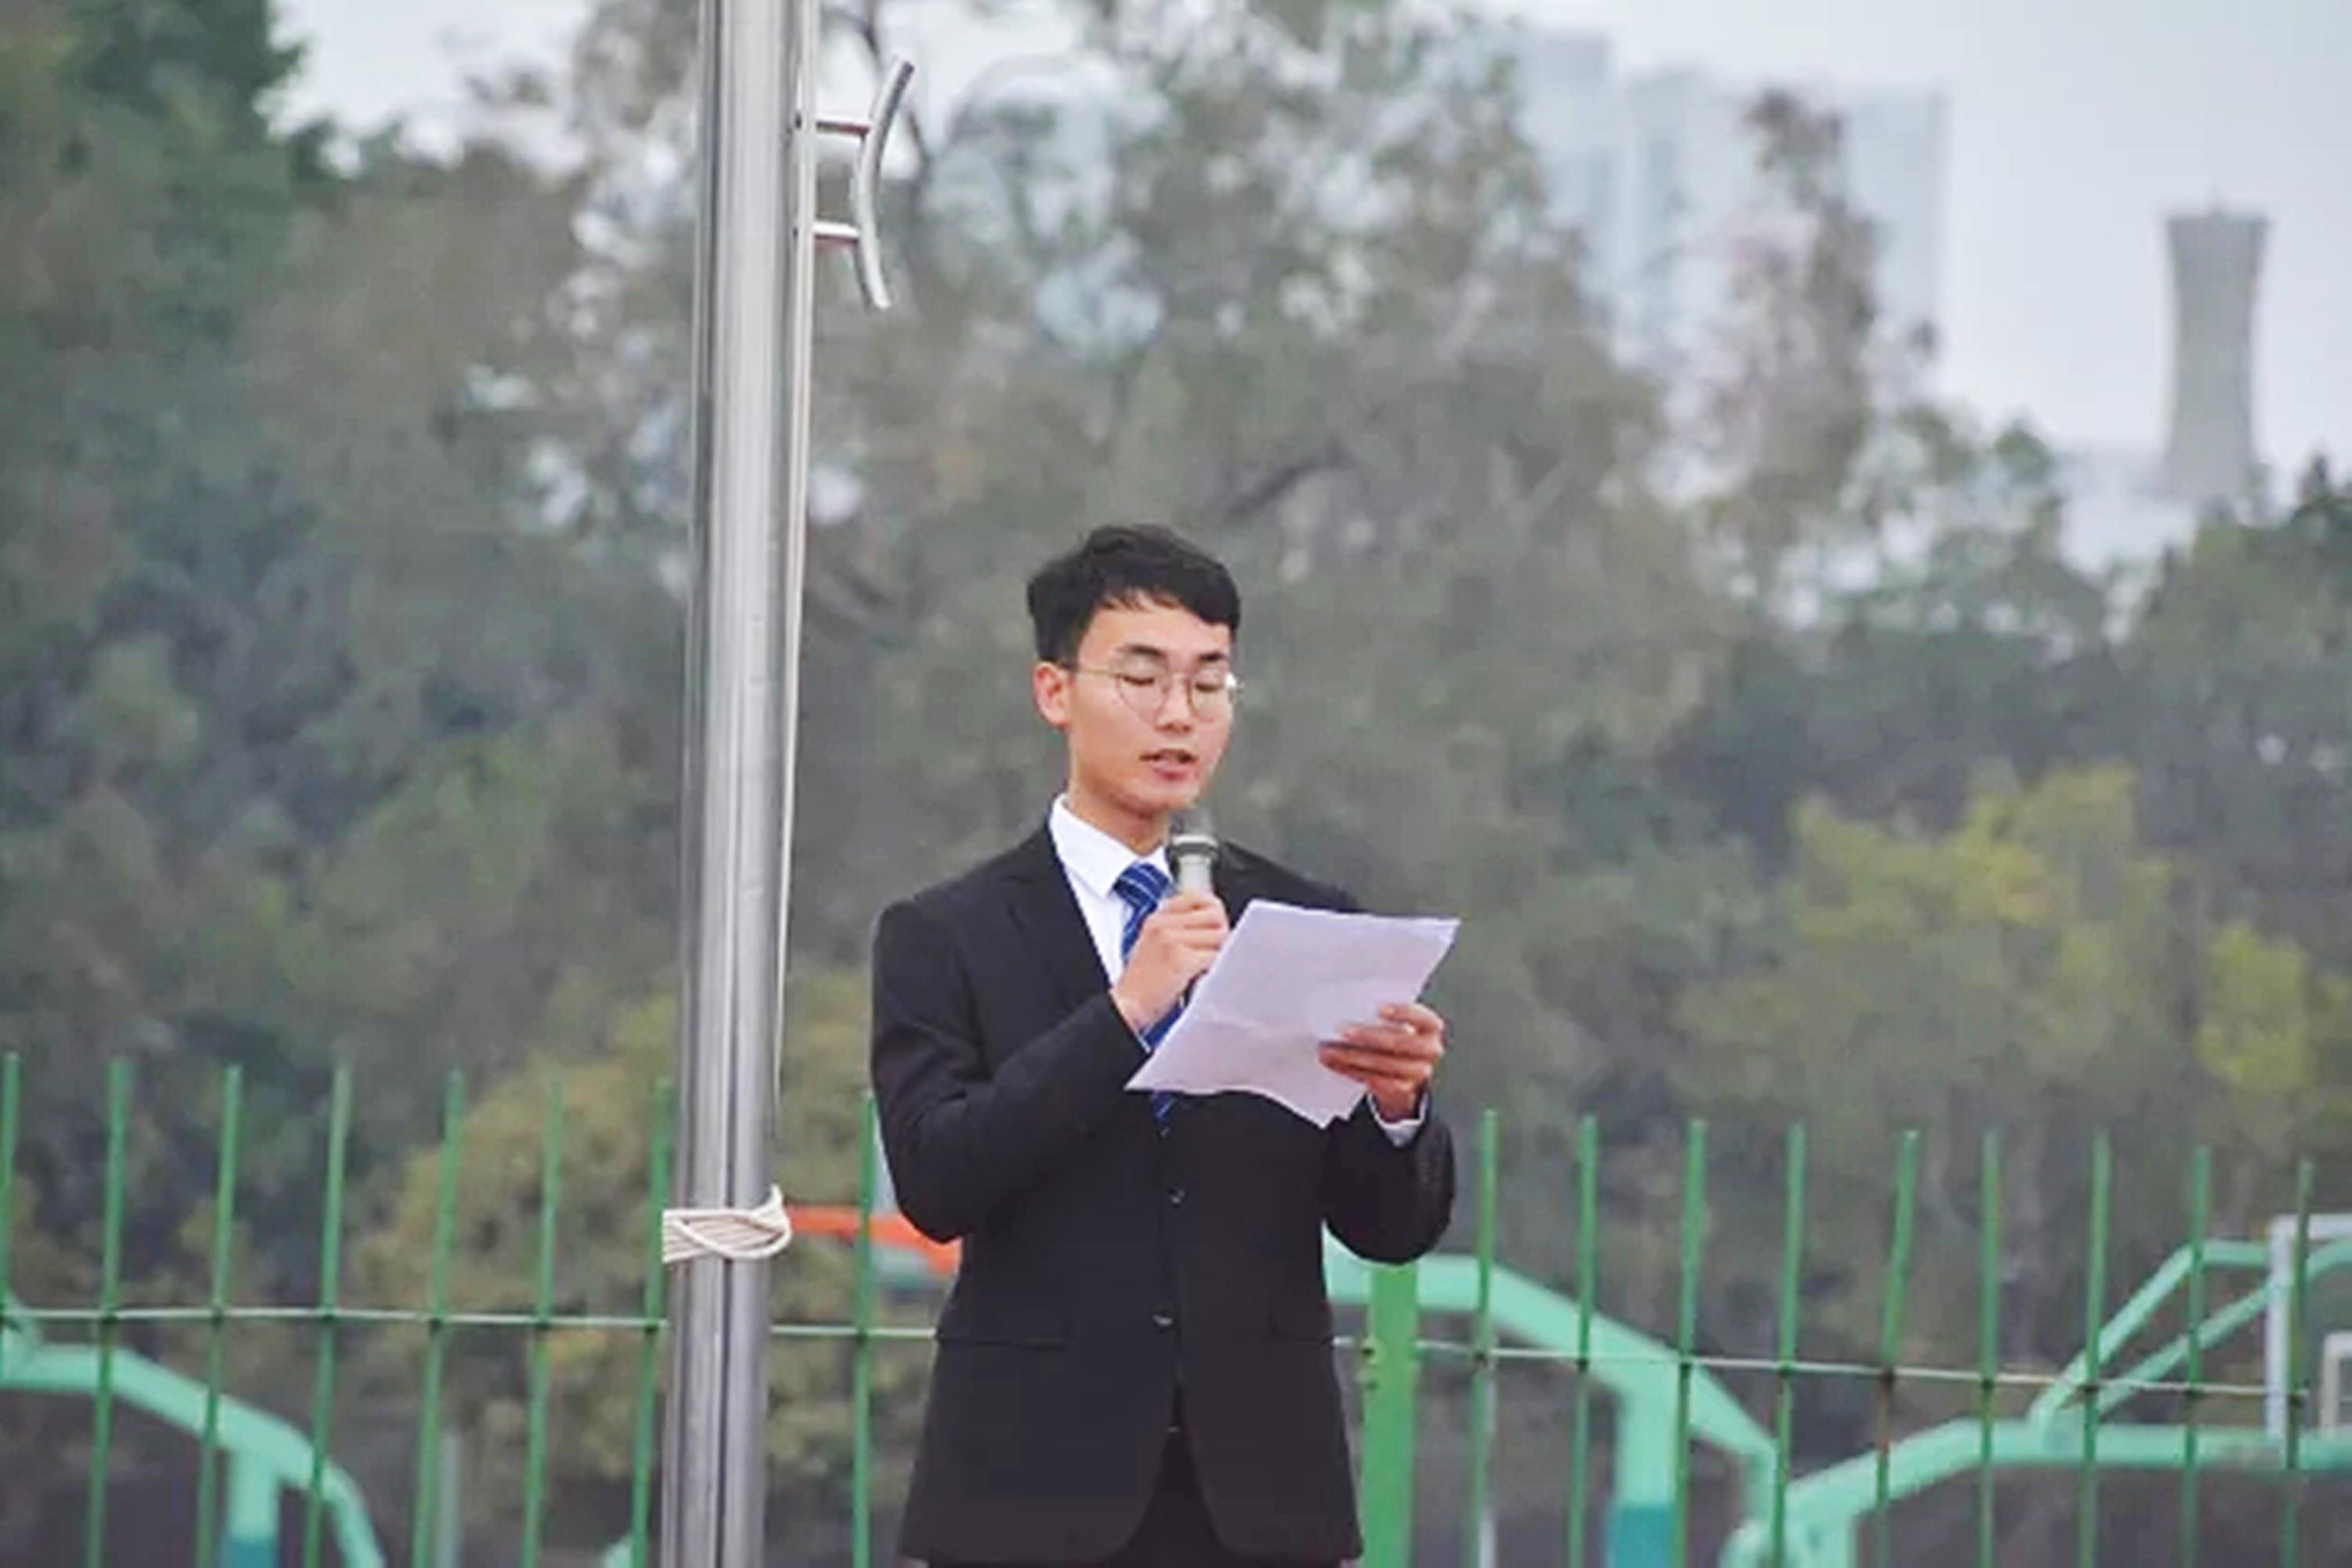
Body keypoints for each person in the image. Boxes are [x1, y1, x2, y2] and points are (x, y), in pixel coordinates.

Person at [869, 524, 1456, 1568]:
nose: (1179, 713)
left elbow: (1388, 1228)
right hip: (1030, 1490)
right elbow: (937, 1179)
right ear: (1055, 691)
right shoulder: (947, 933)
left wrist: (1396, 1108)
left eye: (1210, 682)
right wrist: (1126, 1012)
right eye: (1142, 679)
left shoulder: (1304, 920)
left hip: (1260, 1498)